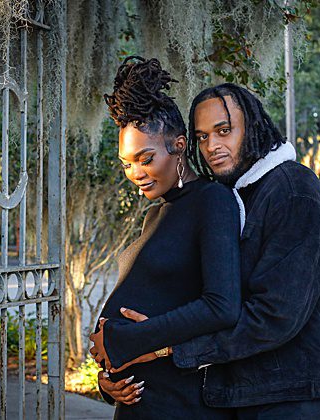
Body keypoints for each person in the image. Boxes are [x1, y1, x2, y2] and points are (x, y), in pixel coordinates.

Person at [95, 82, 320, 420]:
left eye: (224, 131)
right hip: (243, 395)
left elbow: (275, 316)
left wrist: (167, 347)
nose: (212, 146)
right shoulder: (238, 194)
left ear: (252, 127)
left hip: (290, 399)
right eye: (202, 136)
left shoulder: (292, 190)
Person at [87, 56, 242, 418]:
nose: (136, 173)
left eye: (145, 157)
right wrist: (107, 379)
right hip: (139, 402)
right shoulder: (156, 213)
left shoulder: (212, 201)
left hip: (180, 404)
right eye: (127, 163)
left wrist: (130, 340)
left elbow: (222, 305)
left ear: (179, 145)